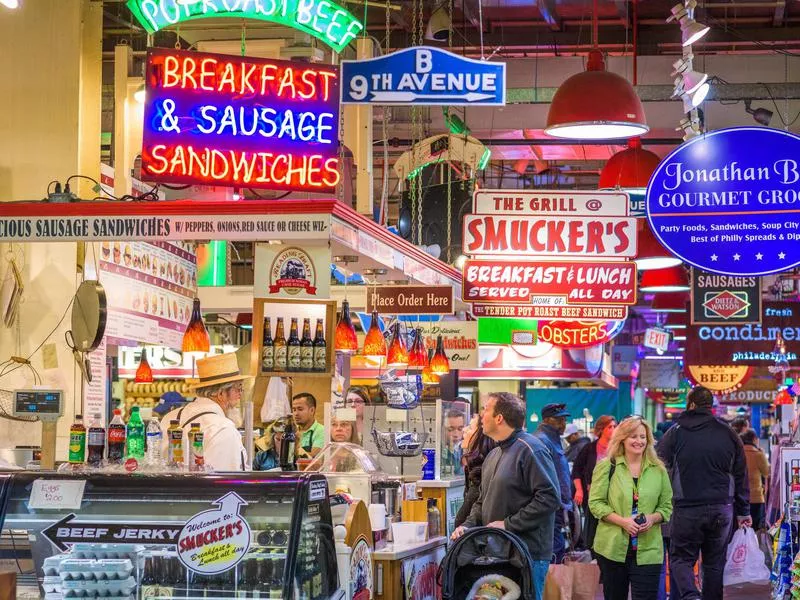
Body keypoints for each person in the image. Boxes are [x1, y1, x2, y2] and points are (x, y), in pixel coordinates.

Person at [452, 392, 561, 600]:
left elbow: (549, 498)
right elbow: (481, 501)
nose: (481, 415)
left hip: (528, 554)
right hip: (497, 553)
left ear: (499, 418)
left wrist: (508, 524)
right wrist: (467, 526)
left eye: (486, 410)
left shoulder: (532, 449)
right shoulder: (494, 454)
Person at [658, 386, 750, 600]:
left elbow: (659, 465)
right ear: (711, 405)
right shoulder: (728, 433)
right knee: (715, 563)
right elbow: (740, 474)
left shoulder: (676, 432)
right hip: (722, 508)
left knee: (681, 559)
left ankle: (690, 596)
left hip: (685, 507)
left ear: (690, 404)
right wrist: (744, 511)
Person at [589, 417, 673, 600]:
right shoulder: (607, 466)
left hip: (649, 550)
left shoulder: (658, 470)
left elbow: (666, 506)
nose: (639, 441)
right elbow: (595, 503)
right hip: (612, 549)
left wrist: (652, 518)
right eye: (633, 436)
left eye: (643, 437)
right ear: (622, 439)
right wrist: (622, 522)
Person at [159, 353, 249, 471]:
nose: (240, 394)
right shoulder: (223, 430)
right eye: (238, 388)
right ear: (221, 394)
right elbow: (225, 482)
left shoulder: (170, 417)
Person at [534, 403, 573, 563]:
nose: (564, 424)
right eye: (560, 420)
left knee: (557, 547)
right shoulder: (543, 440)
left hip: (557, 504)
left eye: (564, 420)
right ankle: (551, 587)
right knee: (554, 549)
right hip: (551, 506)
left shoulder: (552, 439)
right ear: (548, 420)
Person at [572, 415, 617, 550]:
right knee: (592, 526)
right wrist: (579, 490)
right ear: (601, 429)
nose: (613, 429)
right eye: (610, 427)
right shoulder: (590, 448)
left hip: (614, 495)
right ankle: (593, 552)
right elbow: (576, 470)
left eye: (615, 426)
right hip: (591, 494)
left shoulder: (619, 449)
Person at [455, 415, 497, 527]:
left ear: (481, 437)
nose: (464, 430)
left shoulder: (482, 477)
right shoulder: (474, 471)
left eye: (470, 427)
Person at [741, 429, 770, 529]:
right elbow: (767, 473)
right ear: (754, 439)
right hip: (756, 497)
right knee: (756, 528)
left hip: (740, 497)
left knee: (741, 528)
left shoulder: (738, 453)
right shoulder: (758, 454)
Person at [292, 393, 325, 458]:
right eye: (294, 410)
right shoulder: (292, 431)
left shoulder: (321, 431)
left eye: (300, 409)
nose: (296, 413)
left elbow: (313, 457)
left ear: (312, 410)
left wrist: (293, 449)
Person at [444, 408, 467, 475]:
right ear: (443, 429)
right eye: (450, 429)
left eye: (460, 429)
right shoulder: (439, 451)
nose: (456, 434)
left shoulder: (466, 449)